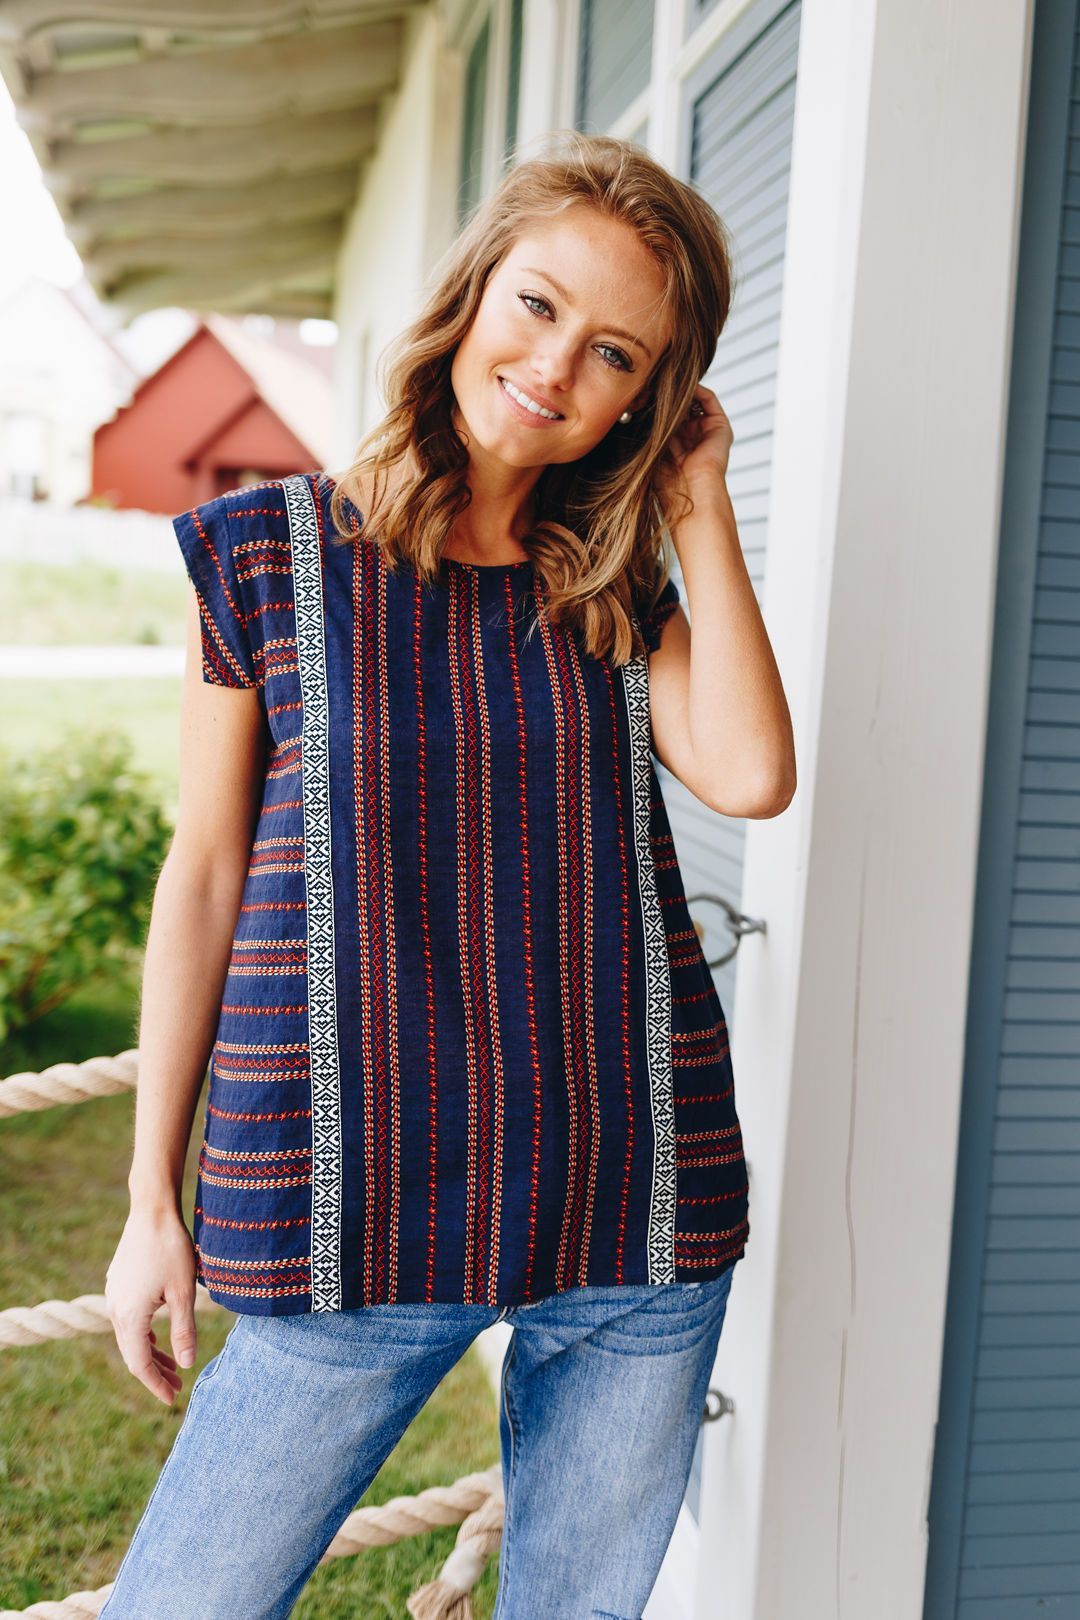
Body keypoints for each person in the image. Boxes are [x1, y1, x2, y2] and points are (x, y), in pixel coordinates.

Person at [100, 130, 795, 1620]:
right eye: (539, 307)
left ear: (650, 398)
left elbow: (748, 774)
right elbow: (206, 875)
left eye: (617, 354)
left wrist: (698, 500)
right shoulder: (266, 558)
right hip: (349, 1200)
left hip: (635, 1197)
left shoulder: (607, 582)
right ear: (475, 291)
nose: (558, 369)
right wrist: (150, 1200)